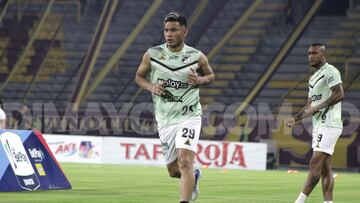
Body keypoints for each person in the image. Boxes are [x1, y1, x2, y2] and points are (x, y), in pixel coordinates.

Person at [135, 12, 215, 203]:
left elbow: (211, 76)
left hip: (189, 116)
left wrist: (200, 79)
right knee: (174, 171)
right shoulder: (152, 54)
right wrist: (152, 87)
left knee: (185, 161)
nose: (169, 34)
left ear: (184, 31)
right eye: (166, 30)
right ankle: (194, 177)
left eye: (173, 30)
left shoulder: (196, 56)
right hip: (165, 119)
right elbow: (139, 77)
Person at [284, 43, 344, 203]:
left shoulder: (330, 71)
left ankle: (299, 201)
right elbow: (309, 106)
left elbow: (339, 94)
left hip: (330, 123)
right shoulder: (313, 78)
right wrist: (295, 119)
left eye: (314, 53)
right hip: (319, 126)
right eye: (309, 53)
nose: (311, 56)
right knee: (325, 168)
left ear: (323, 55)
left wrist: (317, 107)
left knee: (315, 163)